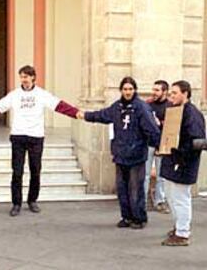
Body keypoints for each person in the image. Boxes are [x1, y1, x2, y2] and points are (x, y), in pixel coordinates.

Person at [0, 65, 80, 217]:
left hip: (36, 137)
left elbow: (59, 105)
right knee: (17, 172)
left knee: (35, 171)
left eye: (27, 76)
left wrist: (76, 113)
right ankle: (16, 203)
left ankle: (32, 200)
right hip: (18, 137)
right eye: (22, 76)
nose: (24, 79)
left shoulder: (42, 94)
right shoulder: (14, 95)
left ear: (33, 77)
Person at [78, 77, 160, 229]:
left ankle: (139, 218)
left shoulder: (141, 108)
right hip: (120, 154)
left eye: (130, 89)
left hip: (136, 155)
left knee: (135, 189)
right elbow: (102, 115)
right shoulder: (117, 107)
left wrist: (158, 146)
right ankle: (126, 217)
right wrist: (85, 115)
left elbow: (152, 129)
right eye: (125, 89)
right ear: (121, 90)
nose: (127, 92)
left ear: (134, 90)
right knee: (122, 189)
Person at [160, 80, 206, 246]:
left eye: (174, 93)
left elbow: (198, 141)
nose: (171, 96)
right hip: (173, 160)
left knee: (180, 198)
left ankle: (182, 233)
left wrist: (180, 154)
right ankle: (179, 226)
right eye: (170, 93)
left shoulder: (192, 114)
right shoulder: (177, 111)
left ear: (185, 94)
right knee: (171, 195)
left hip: (183, 163)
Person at [144, 80, 171, 213]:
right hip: (148, 143)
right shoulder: (147, 105)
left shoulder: (171, 106)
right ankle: (142, 202)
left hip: (163, 144)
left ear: (164, 92)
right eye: (153, 89)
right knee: (145, 174)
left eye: (157, 90)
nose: (153, 93)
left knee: (162, 175)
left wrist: (159, 123)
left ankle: (160, 201)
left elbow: (172, 126)